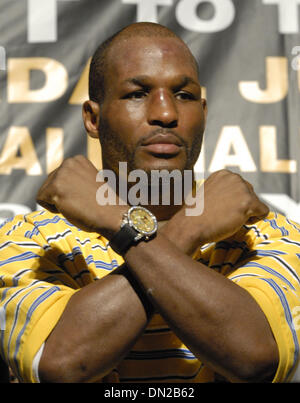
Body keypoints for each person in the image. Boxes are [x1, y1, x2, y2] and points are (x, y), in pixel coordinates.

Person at [0, 22, 300, 384]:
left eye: (184, 95)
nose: (165, 113)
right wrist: (191, 227)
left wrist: (120, 220)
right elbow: (61, 366)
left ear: (204, 113)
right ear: (94, 119)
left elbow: (254, 357)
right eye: (137, 94)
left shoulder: (266, 233)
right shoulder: (30, 240)